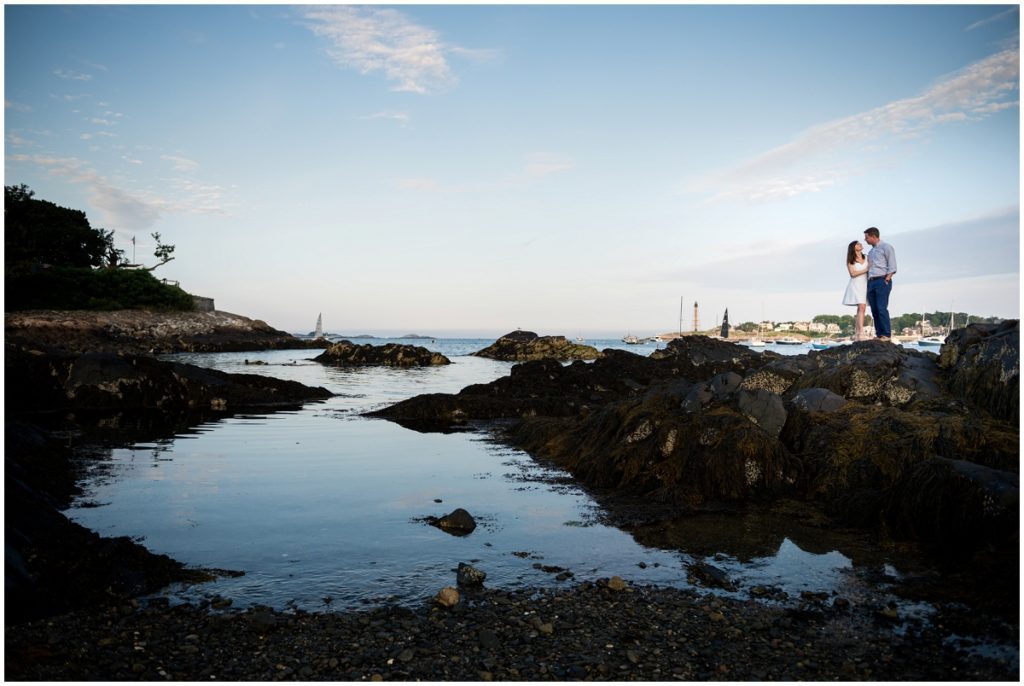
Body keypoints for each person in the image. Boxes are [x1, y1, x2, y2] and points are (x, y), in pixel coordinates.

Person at [863, 227, 897, 341]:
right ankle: (879, 334)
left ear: (873, 236)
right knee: (874, 310)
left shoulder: (886, 247)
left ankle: (886, 335)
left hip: (882, 280)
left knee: (882, 308)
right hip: (871, 282)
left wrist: (887, 279)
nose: (865, 240)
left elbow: (892, 266)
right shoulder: (871, 252)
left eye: (866, 237)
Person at [842, 240, 869, 340]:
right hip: (856, 285)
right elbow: (852, 274)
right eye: (857, 244)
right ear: (853, 247)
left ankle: (857, 332)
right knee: (861, 306)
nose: (860, 244)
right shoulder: (851, 260)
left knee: (861, 308)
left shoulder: (867, 257)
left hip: (866, 284)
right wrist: (866, 269)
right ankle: (861, 333)